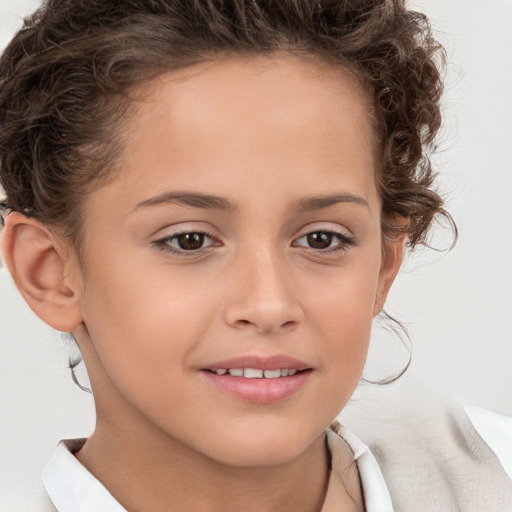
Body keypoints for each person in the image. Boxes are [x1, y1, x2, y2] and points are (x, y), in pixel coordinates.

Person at [0, 0, 510, 510]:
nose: (269, 305)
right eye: (189, 240)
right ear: (49, 272)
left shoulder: (492, 472)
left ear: (383, 264)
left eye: (321, 239)